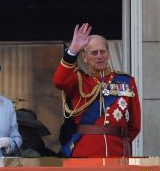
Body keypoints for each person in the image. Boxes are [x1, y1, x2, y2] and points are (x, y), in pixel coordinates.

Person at [53, 23, 141, 157]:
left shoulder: (126, 81)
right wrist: (72, 51)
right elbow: (59, 80)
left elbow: (134, 125)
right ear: (84, 57)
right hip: (85, 152)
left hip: (117, 152)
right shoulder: (78, 80)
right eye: (94, 53)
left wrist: (122, 143)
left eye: (103, 51)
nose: (99, 56)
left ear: (108, 53)